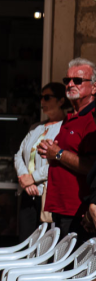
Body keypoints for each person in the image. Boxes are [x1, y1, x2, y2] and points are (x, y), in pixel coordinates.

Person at [39, 59, 96, 236]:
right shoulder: (71, 116)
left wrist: (58, 154)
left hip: (78, 211)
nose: (70, 84)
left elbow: (92, 166)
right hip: (61, 208)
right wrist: (49, 151)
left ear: (94, 87)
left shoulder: (92, 119)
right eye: (67, 80)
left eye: (78, 81)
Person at [15, 83, 68, 239]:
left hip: (47, 194)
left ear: (61, 101)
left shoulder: (65, 128)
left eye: (47, 97)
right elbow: (19, 155)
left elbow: (59, 161)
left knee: (46, 242)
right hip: (27, 192)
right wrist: (25, 178)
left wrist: (33, 178)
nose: (42, 102)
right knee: (25, 240)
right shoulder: (36, 127)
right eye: (41, 97)